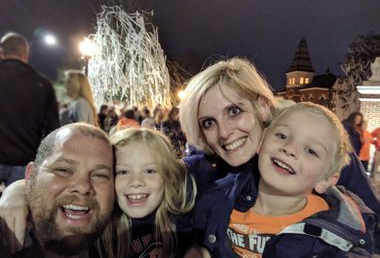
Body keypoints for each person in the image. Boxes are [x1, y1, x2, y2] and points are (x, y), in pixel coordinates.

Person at [179, 57, 380, 256]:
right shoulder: (204, 173)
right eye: (208, 122)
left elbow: (371, 232)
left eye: (234, 111)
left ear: (263, 106)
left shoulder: (324, 148)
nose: (223, 132)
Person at [226, 102, 375, 257]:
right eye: (282, 136)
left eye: (310, 151)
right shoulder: (221, 201)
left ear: (325, 181)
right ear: (262, 140)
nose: (290, 149)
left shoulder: (335, 237)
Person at [0, 123, 115, 257]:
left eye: (100, 175)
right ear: (31, 176)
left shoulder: (127, 236)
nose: (83, 187)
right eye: (63, 170)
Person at [98, 128, 196, 257]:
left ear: (168, 176)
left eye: (150, 171)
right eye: (122, 172)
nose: (136, 181)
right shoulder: (99, 234)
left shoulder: (184, 221)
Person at [0, 32, 59, 186]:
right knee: (18, 207)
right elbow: (53, 129)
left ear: (2, 53)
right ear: (25, 54)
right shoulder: (42, 84)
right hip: (24, 159)